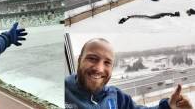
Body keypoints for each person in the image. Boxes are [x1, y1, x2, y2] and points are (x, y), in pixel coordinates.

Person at [65, 38, 193, 109]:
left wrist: (168, 107)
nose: (99, 68)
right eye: (92, 58)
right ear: (79, 60)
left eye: (107, 62)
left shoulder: (116, 96)